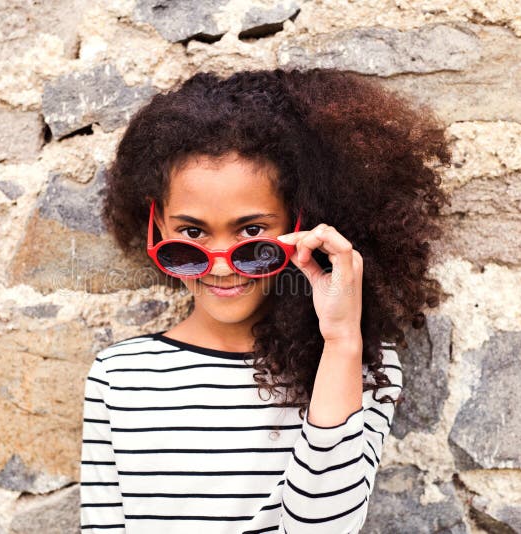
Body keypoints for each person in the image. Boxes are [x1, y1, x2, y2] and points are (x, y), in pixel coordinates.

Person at [79, 68, 451, 533]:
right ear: (157, 226)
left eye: (252, 232)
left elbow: (324, 529)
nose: (219, 265)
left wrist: (339, 341)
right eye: (192, 234)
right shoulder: (119, 376)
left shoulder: (358, 370)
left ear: (305, 224)